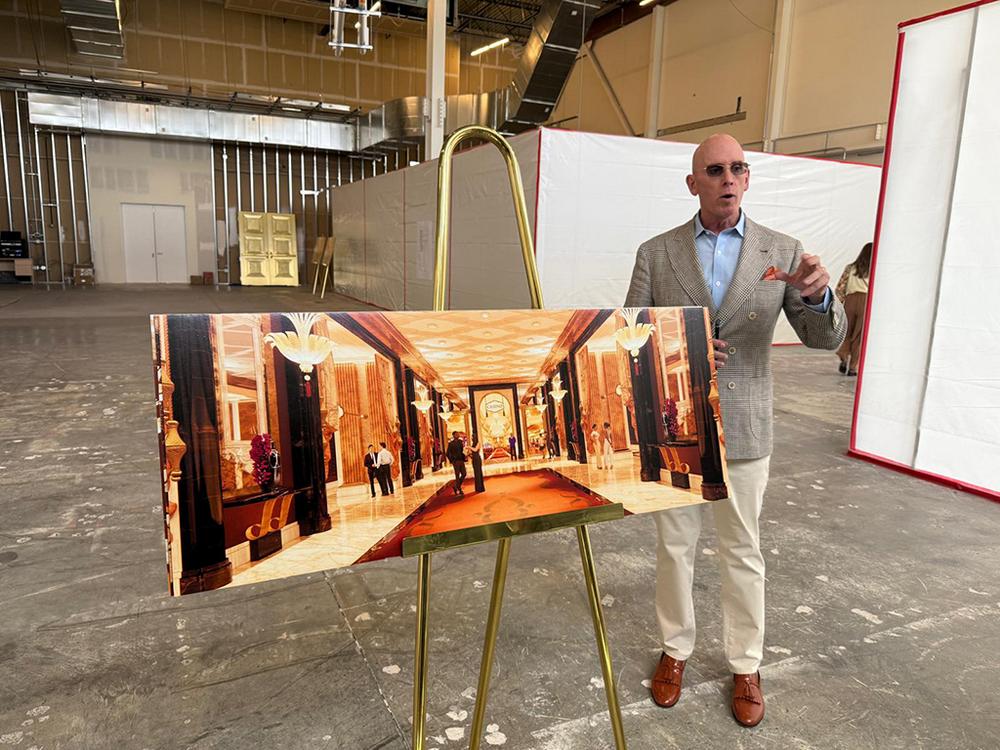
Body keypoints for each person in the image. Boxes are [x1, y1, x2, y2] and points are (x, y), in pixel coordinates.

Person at [624, 133, 846, 728]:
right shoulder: (656, 253)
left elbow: (825, 339)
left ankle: (746, 664)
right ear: (693, 183)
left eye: (738, 169)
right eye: (715, 169)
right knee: (675, 546)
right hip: (675, 421)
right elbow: (629, 337)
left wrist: (820, 297)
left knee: (742, 548)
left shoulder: (783, 251)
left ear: (747, 179)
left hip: (745, 423)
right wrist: (679, 349)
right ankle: (675, 650)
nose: (728, 178)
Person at [835, 242, 871, 376]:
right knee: (859, 336)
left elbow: (840, 287)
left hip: (850, 301)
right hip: (866, 302)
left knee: (847, 332)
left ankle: (844, 356)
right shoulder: (875, 269)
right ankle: (852, 368)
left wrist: (840, 303)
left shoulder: (850, 268)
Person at [446, 431, 467, 496]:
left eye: (458, 434)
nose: (458, 435)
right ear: (453, 435)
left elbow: (462, 450)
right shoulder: (451, 444)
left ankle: (456, 486)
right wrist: (452, 460)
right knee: (457, 475)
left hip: (461, 460)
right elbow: (447, 453)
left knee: (464, 473)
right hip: (456, 461)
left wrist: (464, 456)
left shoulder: (460, 442)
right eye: (456, 434)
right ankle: (459, 489)